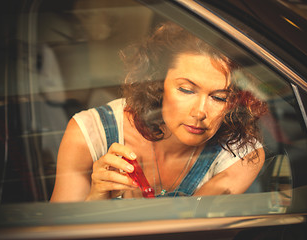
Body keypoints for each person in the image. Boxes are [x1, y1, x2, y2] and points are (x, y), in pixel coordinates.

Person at [50, 22, 267, 202]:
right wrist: (96, 199)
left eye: (219, 97)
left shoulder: (242, 155)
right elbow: (59, 233)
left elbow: (187, 232)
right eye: (186, 89)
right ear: (157, 83)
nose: (200, 112)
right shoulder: (88, 133)